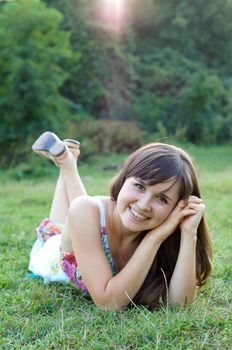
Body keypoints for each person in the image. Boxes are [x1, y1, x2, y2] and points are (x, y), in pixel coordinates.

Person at [28, 131, 212, 310]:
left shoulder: (168, 231)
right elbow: (108, 303)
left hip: (90, 225)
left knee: (85, 211)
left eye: (162, 199)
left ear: (177, 207)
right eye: (139, 186)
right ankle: (67, 164)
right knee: (77, 212)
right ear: (123, 178)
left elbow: (179, 304)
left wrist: (189, 233)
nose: (144, 205)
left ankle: (68, 162)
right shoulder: (85, 211)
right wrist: (153, 238)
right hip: (53, 251)